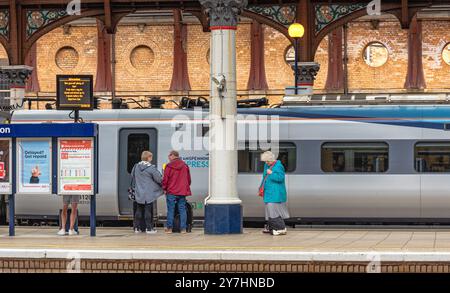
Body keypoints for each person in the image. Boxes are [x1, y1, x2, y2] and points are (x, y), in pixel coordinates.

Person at [131, 151, 163, 234]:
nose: (151, 159)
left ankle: (136, 228)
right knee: (148, 211)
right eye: (151, 157)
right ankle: (149, 228)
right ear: (148, 158)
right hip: (148, 194)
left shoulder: (136, 166)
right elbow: (159, 179)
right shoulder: (151, 168)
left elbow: (132, 175)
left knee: (138, 211)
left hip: (138, 192)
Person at [259, 151, 289, 236]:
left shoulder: (279, 166)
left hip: (276, 193)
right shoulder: (267, 165)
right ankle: (271, 227)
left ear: (272, 159)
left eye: (267, 161)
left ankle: (281, 228)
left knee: (274, 210)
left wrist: (271, 173)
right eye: (265, 161)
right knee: (269, 210)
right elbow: (265, 177)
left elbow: (280, 178)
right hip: (268, 192)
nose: (266, 163)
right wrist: (261, 187)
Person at [162, 150, 191, 234]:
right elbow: (188, 180)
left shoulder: (169, 166)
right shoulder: (185, 166)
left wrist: (164, 188)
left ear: (173, 155)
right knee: (182, 209)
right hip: (182, 192)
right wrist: (184, 188)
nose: (168, 157)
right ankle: (183, 229)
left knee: (171, 210)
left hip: (171, 191)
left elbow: (165, 179)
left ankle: (169, 228)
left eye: (169, 155)